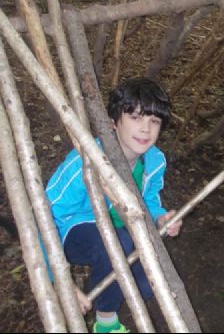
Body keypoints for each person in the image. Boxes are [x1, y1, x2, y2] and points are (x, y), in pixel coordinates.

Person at [45, 77, 182, 333]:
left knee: (144, 286)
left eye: (154, 121)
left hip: (119, 232)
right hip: (71, 230)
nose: (145, 129)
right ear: (113, 122)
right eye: (136, 118)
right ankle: (106, 323)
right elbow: (45, 216)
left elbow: (148, 200)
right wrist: (56, 279)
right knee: (118, 245)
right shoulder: (84, 162)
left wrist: (161, 217)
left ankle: (98, 289)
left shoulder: (154, 161)